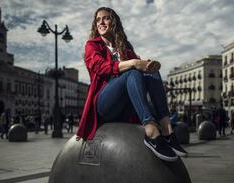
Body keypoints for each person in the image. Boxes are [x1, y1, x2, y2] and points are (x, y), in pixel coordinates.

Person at [76, 7, 187, 162]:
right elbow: (101, 68)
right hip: (104, 105)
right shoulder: (92, 45)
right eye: (98, 19)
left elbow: (141, 72)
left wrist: (148, 65)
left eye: (106, 18)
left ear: (114, 22)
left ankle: (168, 131)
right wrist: (134, 63)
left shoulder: (125, 47)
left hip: (125, 106)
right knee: (133, 71)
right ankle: (151, 131)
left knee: (150, 72)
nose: (101, 22)